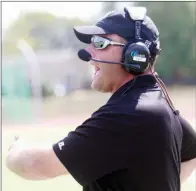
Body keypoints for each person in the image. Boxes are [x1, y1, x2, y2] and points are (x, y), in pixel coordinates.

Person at [6, 5, 196, 191]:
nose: (88, 53)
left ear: (135, 54)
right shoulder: (157, 104)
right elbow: (192, 151)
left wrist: (15, 151)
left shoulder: (128, 114)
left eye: (100, 43)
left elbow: (35, 166)